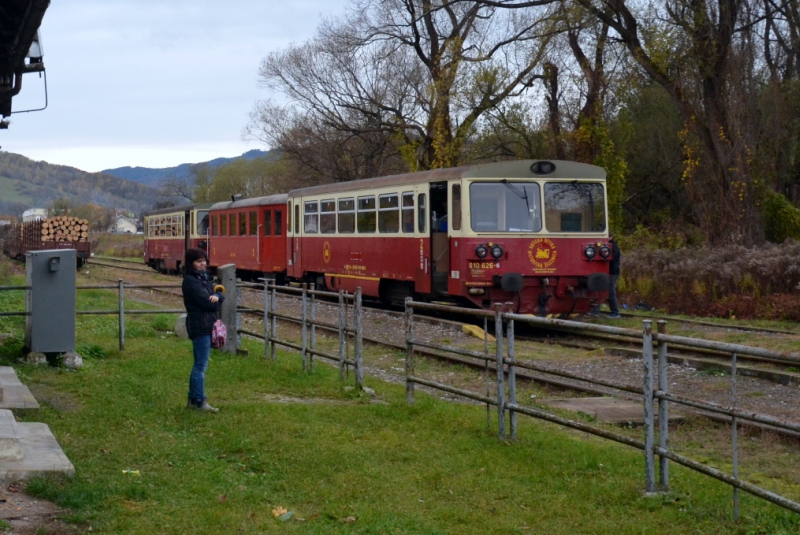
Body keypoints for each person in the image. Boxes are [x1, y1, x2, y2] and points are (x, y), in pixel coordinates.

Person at [182, 248, 225, 412]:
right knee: (200, 365)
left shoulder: (203, 278)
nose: (203, 264)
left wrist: (218, 297)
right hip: (200, 326)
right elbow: (207, 303)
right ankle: (200, 401)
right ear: (191, 263)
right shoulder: (191, 281)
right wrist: (216, 300)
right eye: (199, 261)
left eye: (204, 260)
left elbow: (219, 292)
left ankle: (193, 400)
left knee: (199, 364)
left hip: (207, 325)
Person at [607, 233, 621, 319]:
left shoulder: (613, 247)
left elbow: (612, 260)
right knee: (608, 291)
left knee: (611, 292)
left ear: (611, 237)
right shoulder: (611, 246)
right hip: (612, 271)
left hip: (612, 272)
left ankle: (615, 312)